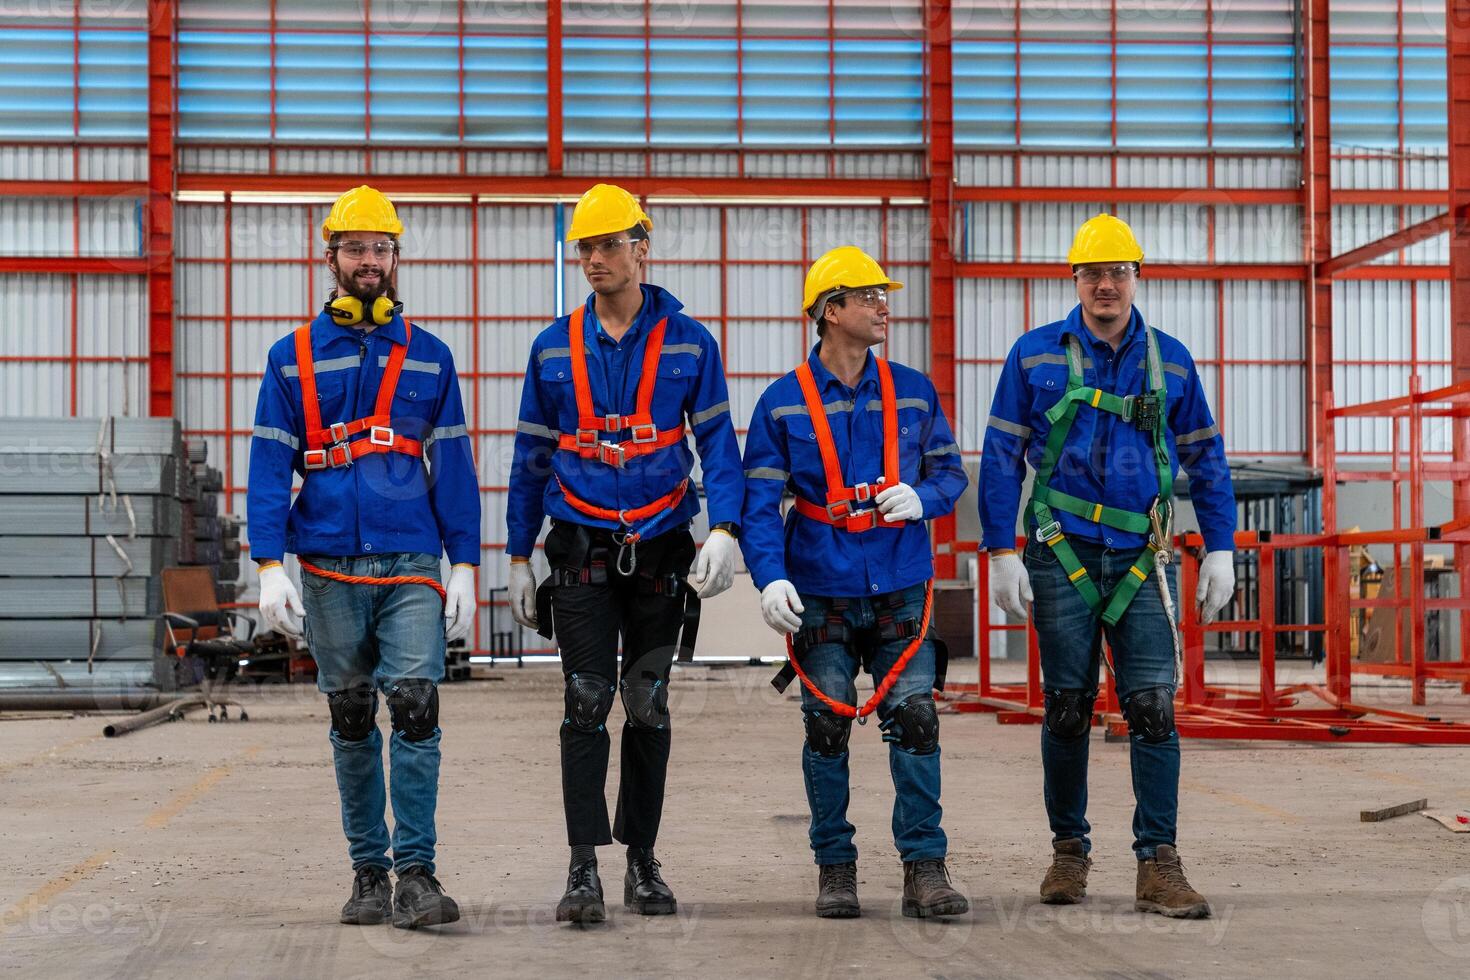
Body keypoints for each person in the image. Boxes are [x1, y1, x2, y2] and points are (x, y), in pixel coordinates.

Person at [980, 213, 1237, 919]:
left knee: (1153, 708)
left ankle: (1159, 862)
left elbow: (1206, 459)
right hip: (1059, 550)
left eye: (1118, 272)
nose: (1105, 286)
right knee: (1066, 707)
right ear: (1075, 281)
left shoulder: (1172, 362)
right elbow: (1001, 456)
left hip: (1142, 555)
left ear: (1135, 278)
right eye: (1093, 274)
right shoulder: (1034, 355)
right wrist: (999, 550)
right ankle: (1069, 852)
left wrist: (1221, 543)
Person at [504, 184, 744, 923]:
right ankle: (583, 868)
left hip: (663, 548)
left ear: (643, 247)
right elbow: (530, 458)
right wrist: (518, 556)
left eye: (609, 244)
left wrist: (727, 530)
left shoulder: (690, 343)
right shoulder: (553, 347)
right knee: (585, 703)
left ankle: (642, 859)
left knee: (646, 704)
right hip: (578, 549)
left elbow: (719, 448)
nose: (595, 259)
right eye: (585, 247)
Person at [248, 185, 480, 929]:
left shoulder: (432, 359)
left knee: (414, 707)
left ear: (395, 257)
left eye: (381, 248)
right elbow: (265, 469)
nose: (369, 260)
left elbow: (456, 469)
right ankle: (368, 876)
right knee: (351, 715)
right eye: (356, 248)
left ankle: (417, 873)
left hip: (411, 558)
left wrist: (468, 563)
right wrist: (267, 563)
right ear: (332, 257)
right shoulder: (289, 362)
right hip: (325, 564)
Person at [741, 246, 970, 919]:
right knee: (826, 727)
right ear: (829, 311)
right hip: (821, 585)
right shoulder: (782, 405)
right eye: (867, 296)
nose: (883, 306)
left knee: (917, 722)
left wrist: (922, 499)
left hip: (901, 579)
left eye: (882, 294)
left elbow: (951, 476)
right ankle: (835, 869)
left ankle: (925, 868)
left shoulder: (915, 391)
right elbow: (760, 504)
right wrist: (769, 578)